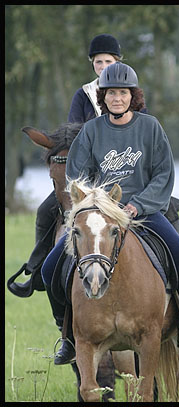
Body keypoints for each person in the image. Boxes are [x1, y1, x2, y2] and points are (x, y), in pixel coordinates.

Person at [41, 62, 179, 364]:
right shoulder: (91, 131)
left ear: (133, 96)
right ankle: (65, 337)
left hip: (143, 212)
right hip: (101, 215)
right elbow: (77, 175)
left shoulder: (150, 127)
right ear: (103, 97)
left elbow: (163, 174)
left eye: (123, 93)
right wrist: (98, 204)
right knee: (50, 268)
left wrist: (138, 204)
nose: (117, 98)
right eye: (111, 93)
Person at [10, 34, 126, 299]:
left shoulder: (127, 91)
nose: (104, 66)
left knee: (166, 209)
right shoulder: (83, 95)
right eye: (99, 62)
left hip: (122, 175)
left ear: (118, 62)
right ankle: (36, 270)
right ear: (92, 64)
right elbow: (75, 133)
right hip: (86, 177)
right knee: (45, 211)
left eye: (109, 60)